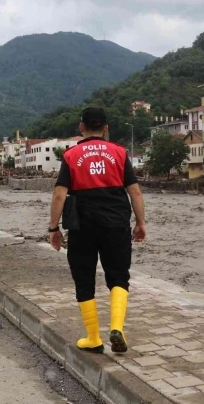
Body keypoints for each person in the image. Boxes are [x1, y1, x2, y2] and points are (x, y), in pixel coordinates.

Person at [49, 107, 146, 354]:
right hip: (116, 223)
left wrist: (53, 228)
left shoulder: (71, 155)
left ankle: (93, 338)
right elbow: (134, 191)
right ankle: (117, 328)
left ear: (81, 127)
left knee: (84, 278)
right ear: (106, 127)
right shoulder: (120, 153)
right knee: (118, 276)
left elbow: (60, 194)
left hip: (82, 225)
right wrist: (140, 223)